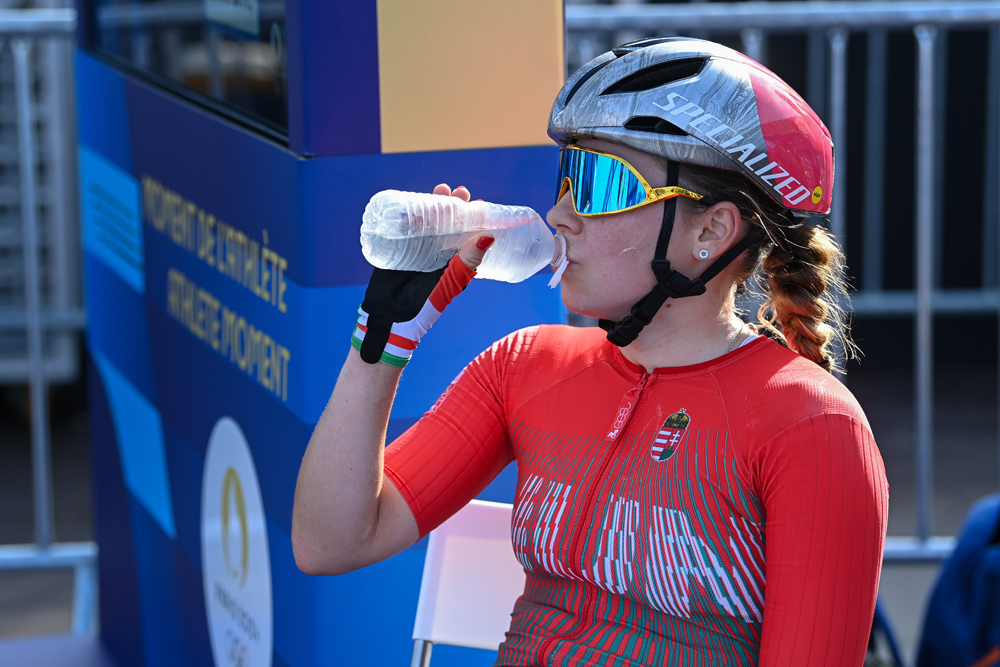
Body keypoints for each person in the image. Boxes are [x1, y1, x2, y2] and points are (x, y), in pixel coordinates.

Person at [292, 37, 889, 666]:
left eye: (601, 185)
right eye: (567, 177)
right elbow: (330, 543)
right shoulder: (523, 365)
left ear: (711, 231)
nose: (559, 214)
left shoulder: (814, 426)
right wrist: (384, 340)